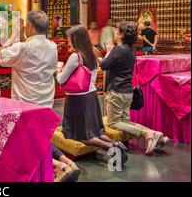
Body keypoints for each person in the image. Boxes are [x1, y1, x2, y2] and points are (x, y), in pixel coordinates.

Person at [0, 10, 80, 182]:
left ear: (29, 26)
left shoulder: (23, 48)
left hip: (26, 105)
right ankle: (66, 162)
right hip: (45, 102)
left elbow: (2, 56)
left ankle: (59, 166)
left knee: (26, 144)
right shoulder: (52, 46)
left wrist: (14, 35)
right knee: (40, 139)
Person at [56, 25, 128, 165]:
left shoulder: (75, 57)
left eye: (70, 39)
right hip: (91, 96)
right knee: (95, 131)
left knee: (82, 136)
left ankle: (111, 147)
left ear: (75, 40)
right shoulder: (93, 53)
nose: (69, 41)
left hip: (78, 99)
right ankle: (117, 144)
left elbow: (61, 79)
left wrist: (58, 70)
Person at [100, 21, 169, 155]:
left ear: (120, 35)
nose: (114, 32)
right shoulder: (132, 49)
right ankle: (155, 134)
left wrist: (108, 51)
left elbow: (103, 65)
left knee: (113, 122)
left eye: (117, 31)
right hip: (127, 92)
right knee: (124, 122)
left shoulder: (118, 50)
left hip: (116, 92)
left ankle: (147, 133)